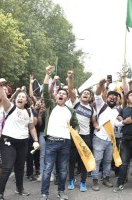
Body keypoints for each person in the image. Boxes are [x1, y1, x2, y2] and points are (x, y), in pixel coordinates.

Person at [0, 78, 39, 200]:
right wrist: (0, 86)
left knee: (20, 167)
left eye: (23, 97)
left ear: (26, 101)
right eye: (18, 96)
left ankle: (20, 189)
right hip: (8, 140)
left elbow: (31, 128)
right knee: (8, 167)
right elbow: (3, 97)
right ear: (15, 99)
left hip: (23, 142)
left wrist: (35, 140)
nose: (20, 98)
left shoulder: (29, 112)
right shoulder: (10, 107)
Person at [40, 67, 80, 200]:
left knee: (63, 170)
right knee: (47, 170)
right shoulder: (51, 105)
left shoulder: (70, 110)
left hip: (65, 144)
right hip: (51, 142)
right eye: (59, 93)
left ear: (67, 97)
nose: (61, 95)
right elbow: (45, 91)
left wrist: (76, 133)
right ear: (56, 96)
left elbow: (76, 125)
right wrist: (47, 74)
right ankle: (44, 194)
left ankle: (61, 192)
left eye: (64, 93)